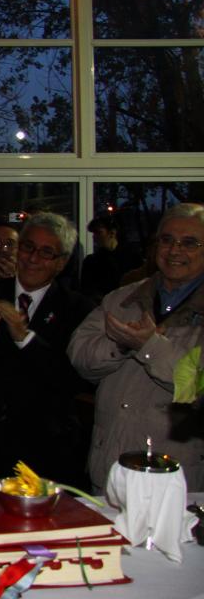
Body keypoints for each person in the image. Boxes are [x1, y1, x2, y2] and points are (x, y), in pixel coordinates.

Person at [0, 212, 95, 497]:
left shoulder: (78, 308)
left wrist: (25, 338)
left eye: (46, 252)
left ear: (61, 262)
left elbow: (70, 380)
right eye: (27, 247)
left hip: (42, 448)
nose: (32, 258)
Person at [68, 202, 204, 493]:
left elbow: (198, 384)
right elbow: (79, 356)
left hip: (178, 479)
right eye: (166, 240)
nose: (174, 250)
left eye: (189, 243)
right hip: (110, 471)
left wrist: (148, 346)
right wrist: (120, 344)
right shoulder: (123, 297)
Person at [80, 215, 142, 301]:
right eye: (94, 233)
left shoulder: (132, 258)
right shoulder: (91, 261)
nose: (94, 237)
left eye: (99, 232)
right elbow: (86, 289)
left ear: (112, 233)